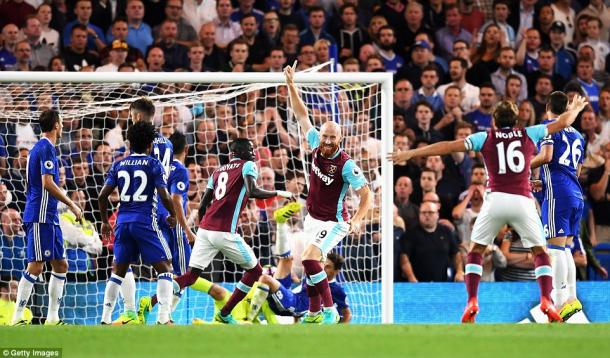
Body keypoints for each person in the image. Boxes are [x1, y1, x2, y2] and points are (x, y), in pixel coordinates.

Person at [389, 95, 588, 323]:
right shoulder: (529, 133)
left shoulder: (485, 137)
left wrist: (410, 153)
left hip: (495, 200)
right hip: (523, 200)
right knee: (541, 253)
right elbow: (563, 123)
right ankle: (546, 299)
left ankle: (472, 300)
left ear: (494, 120)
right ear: (516, 121)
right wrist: (575, 108)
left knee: (475, 251)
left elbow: (446, 147)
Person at [160, 138, 293, 324]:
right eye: (250, 149)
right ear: (239, 152)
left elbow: (204, 204)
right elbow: (252, 191)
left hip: (205, 229)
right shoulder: (248, 165)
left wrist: (204, 228)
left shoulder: (217, 171)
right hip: (225, 231)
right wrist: (279, 193)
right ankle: (224, 314)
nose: (253, 153)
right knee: (256, 271)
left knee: (190, 276)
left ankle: (148, 303)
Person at [285, 63, 372, 324]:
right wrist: (291, 85)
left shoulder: (346, 164)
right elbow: (302, 116)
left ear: (340, 139)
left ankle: (329, 310)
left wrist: (357, 219)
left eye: (333, 138)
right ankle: (313, 314)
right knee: (312, 265)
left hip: (335, 222)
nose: (328, 141)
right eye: (325, 136)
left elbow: (367, 194)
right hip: (313, 218)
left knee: (309, 258)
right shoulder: (314, 144)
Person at [98, 121, 177, 325]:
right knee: (165, 268)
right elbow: (165, 195)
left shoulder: (118, 164)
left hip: (122, 222)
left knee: (119, 270)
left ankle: (105, 319)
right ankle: (163, 319)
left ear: (129, 142)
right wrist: (173, 214)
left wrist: (105, 222)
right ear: (150, 144)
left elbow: (102, 196)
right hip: (145, 222)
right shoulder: (153, 164)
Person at [10, 109, 83, 326]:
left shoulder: (39, 149)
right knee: (36, 265)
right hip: (41, 215)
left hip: (47, 215)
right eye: (61, 122)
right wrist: (72, 204)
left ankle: (53, 319)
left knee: (60, 265)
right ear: (57, 125)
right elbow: (48, 183)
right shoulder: (46, 149)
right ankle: (16, 318)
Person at [245, 204, 351, 323]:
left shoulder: (336, 289)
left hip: (296, 305)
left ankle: (248, 320)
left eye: (328, 267)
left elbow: (347, 313)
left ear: (336, 271)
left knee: (265, 278)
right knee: (287, 260)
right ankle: (281, 223)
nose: (324, 268)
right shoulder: (315, 273)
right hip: (292, 298)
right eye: (324, 265)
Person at [531, 92, 585, 321]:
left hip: (558, 194)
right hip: (575, 193)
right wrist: (544, 181)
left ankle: (561, 300)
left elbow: (547, 156)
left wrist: (523, 165)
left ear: (547, 107)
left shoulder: (549, 126)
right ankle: (571, 298)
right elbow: (577, 169)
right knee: (565, 249)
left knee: (554, 248)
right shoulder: (578, 135)